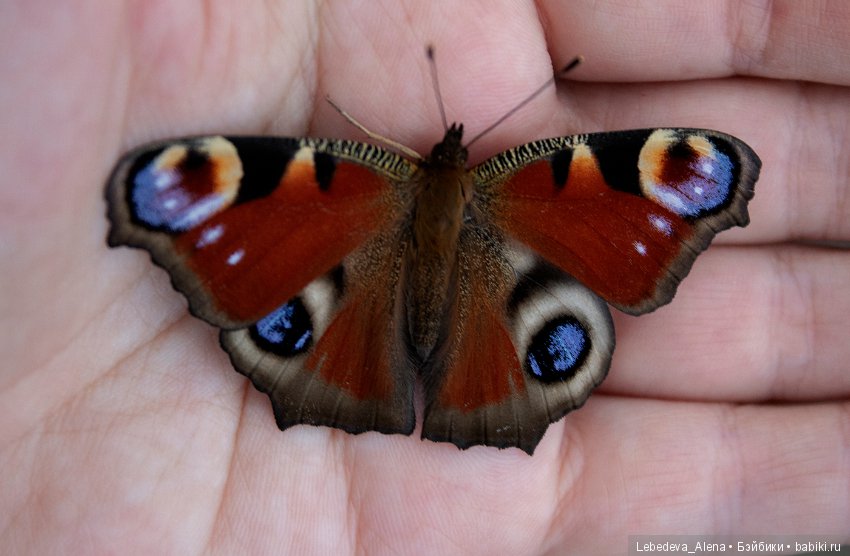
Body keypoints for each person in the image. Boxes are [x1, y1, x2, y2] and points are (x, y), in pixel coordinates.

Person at [1, 1, 847, 552]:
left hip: (356, 290)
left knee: (304, 296)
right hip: (503, 301)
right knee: (538, 318)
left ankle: (373, 372)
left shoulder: (346, 178)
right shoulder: (535, 182)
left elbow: (693, 176)